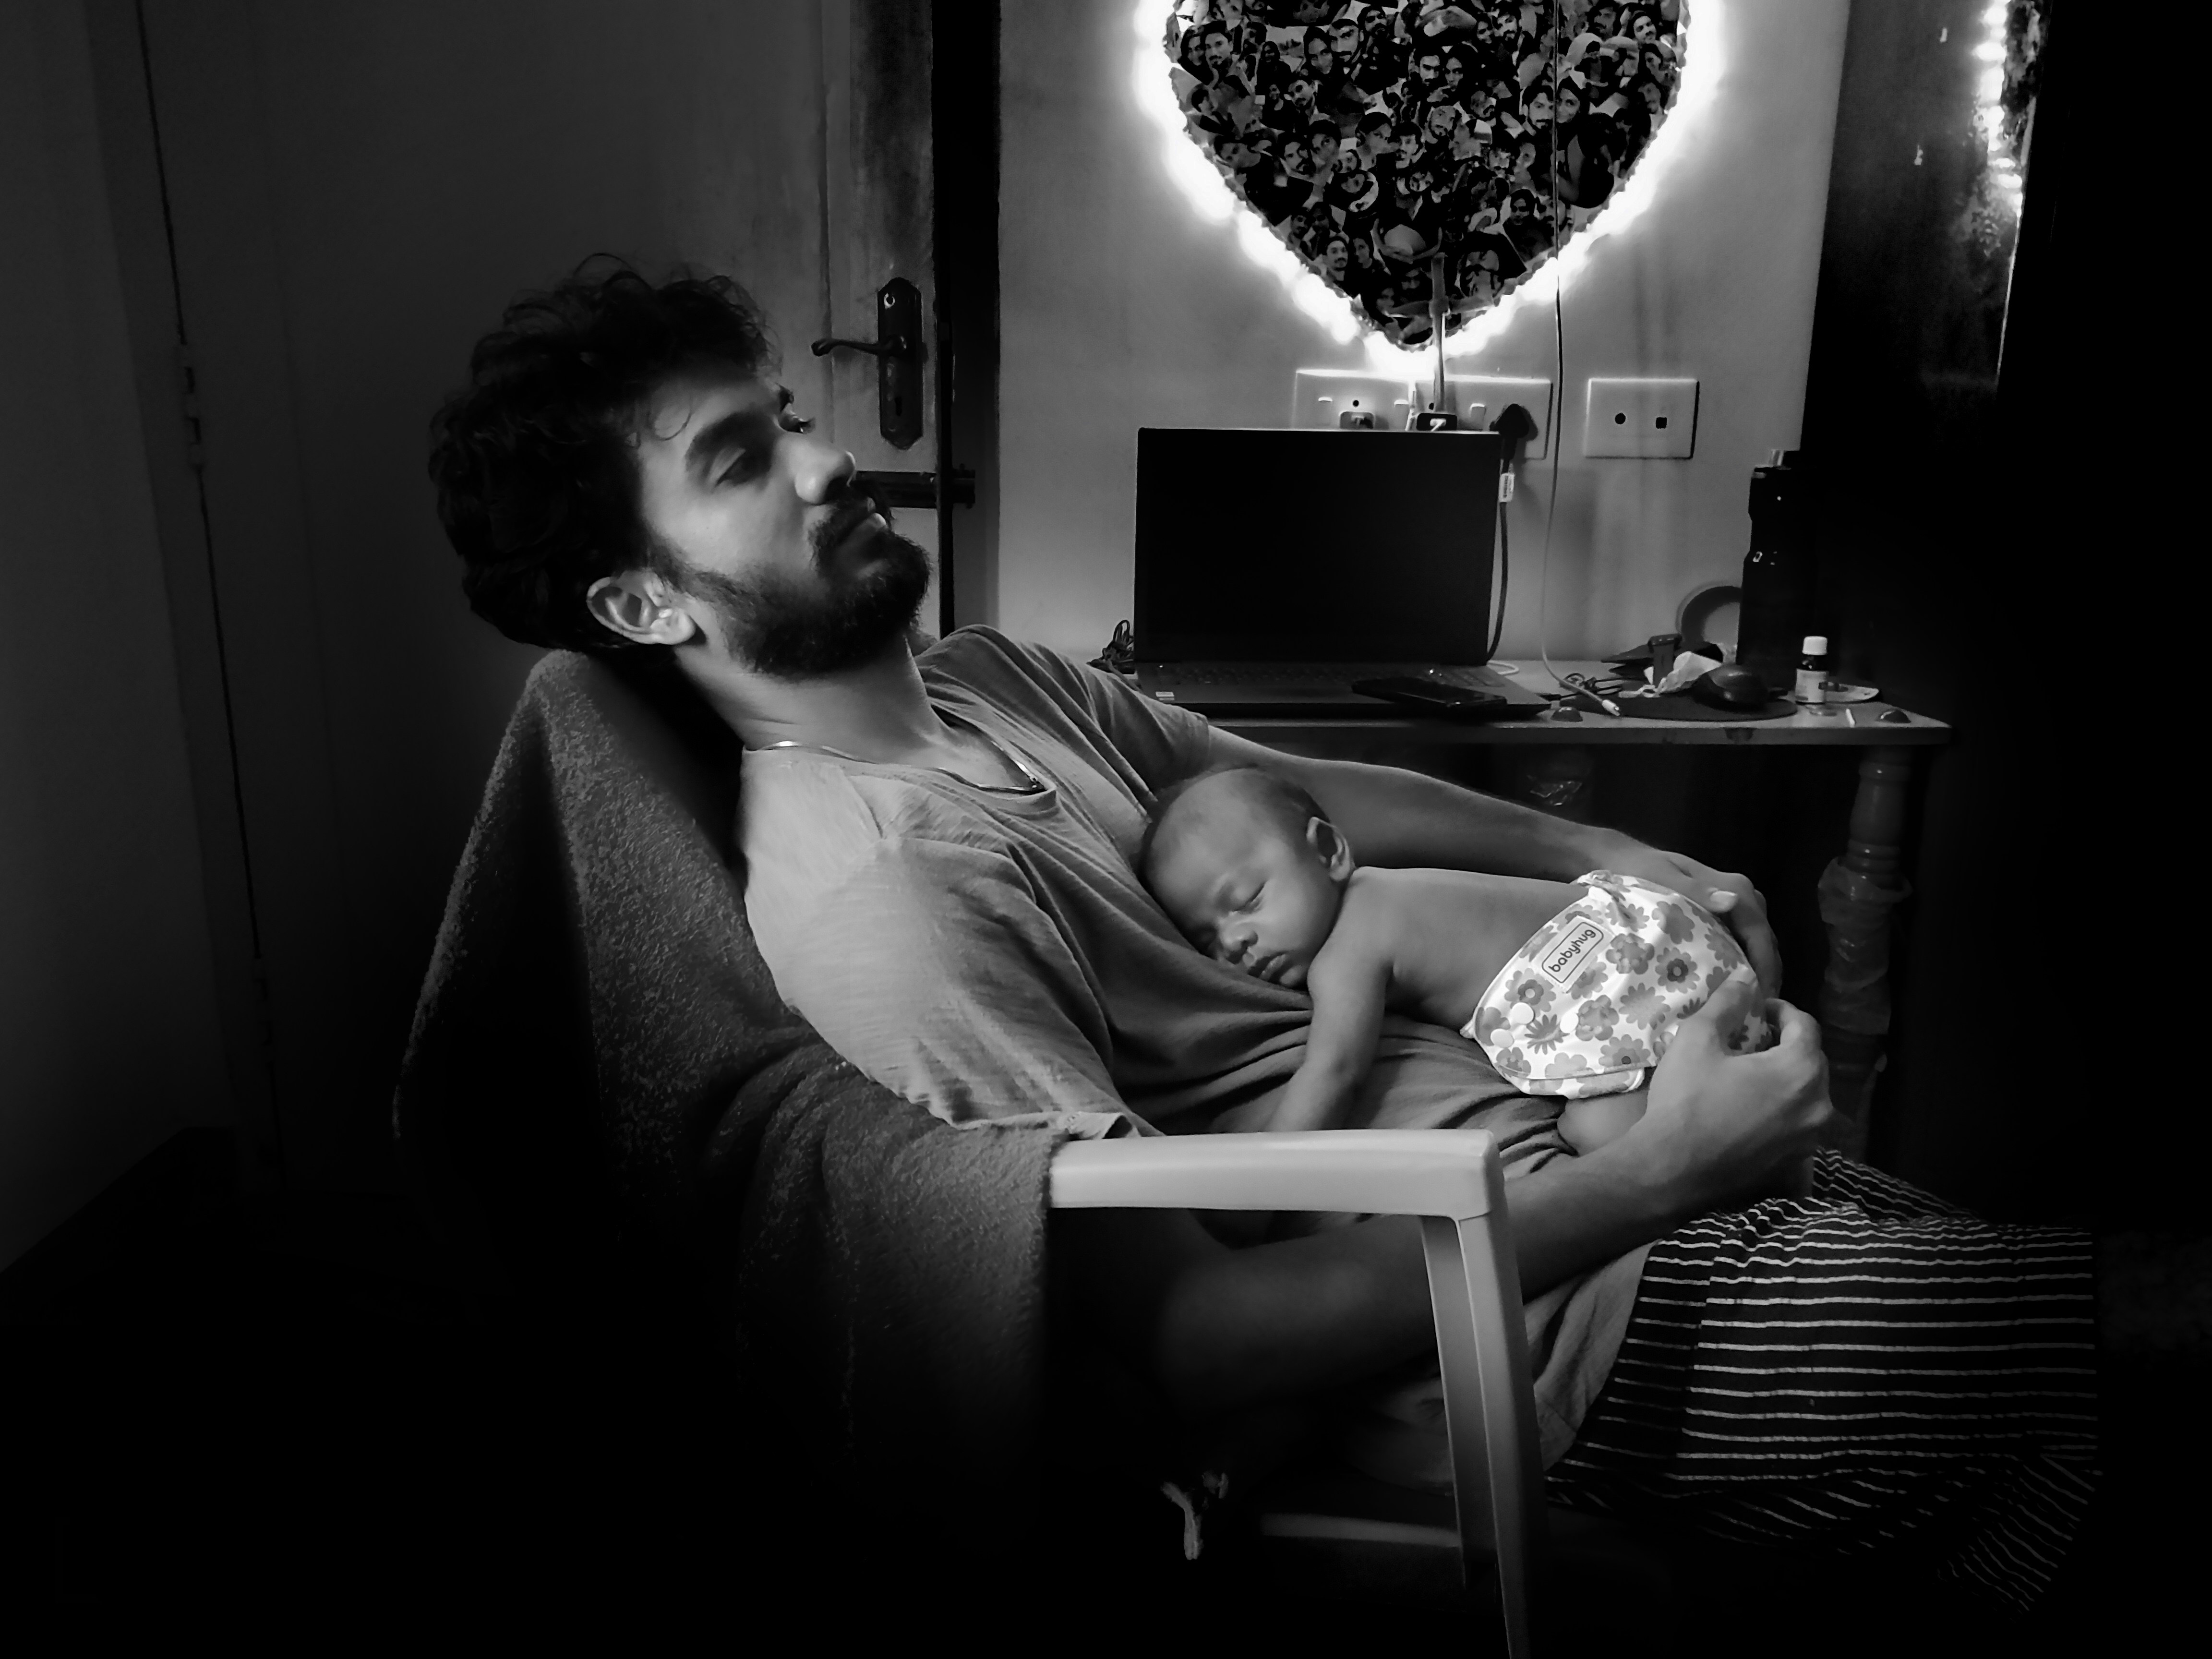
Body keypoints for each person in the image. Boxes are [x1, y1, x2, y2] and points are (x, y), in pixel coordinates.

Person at [427, 262, 2095, 1611]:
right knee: (2114, 1334)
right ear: (643, 605)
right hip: (1555, 1307)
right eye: (740, 460)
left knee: (2050, 1437)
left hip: (1598, 1127)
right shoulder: (883, 902)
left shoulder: (993, 679)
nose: (822, 459)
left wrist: (1611, 845)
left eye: (790, 414)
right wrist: (1663, 1174)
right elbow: (1193, 1343)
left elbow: (1308, 792)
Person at [1138, 766, 1771, 1151]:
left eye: (1246, 900)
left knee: (1597, 1136)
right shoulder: (1390, 890)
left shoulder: (1349, 949)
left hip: (1610, 977)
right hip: (1645, 923)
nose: (1234, 942)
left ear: (1330, 851)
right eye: (1207, 939)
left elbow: (1333, 1074)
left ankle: (1755, 1146)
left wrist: (1251, 1184)